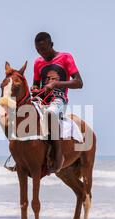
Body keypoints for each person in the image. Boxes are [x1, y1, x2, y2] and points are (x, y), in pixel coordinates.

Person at [31, 32, 84, 173]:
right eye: (38, 50)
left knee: (50, 113)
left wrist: (55, 84)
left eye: (44, 49)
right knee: (21, 114)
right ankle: (21, 158)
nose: (42, 53)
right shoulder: (37, 62)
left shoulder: (65, 57)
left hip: (59, 100)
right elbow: (36, 84)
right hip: (41, 100)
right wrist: (35, 89)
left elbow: (79, 83)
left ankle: (59, 155)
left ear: (51, 44)